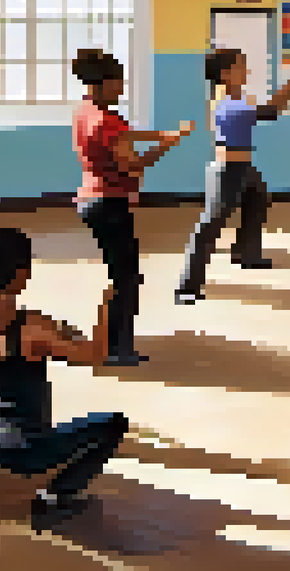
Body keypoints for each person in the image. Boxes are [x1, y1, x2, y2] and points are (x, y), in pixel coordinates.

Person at [0, 227, 130, 529]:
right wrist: (106, 308)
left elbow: (15, 350)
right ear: (18, 273)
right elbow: (95, 356)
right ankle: (56, 496)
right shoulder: (32, 326)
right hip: (26, 445)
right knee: (115, 424)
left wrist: (57, 333)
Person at [71, 49, 194, 367]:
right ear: (102, 84)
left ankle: (113, 339)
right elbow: (133, 165)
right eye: (117, 82)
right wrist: (168, 144)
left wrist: (162, 133)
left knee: (120, 274)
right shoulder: (107, 120)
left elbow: (125, 136)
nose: (122, 87)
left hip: (91, 200)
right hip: (109, 204)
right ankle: (118, 349)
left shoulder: (86, 112)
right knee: (126, 279)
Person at [174, 51, 290, 305]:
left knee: (258, 198)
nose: (246, 71)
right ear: (225, 74)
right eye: (241, 66)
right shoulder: (225, 101)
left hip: (243, 168)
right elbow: (270, 111)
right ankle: (187, 287)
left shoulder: (232, 97)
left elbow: (264, 112)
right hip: (227, 171)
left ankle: (246, 253)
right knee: (210, 227)